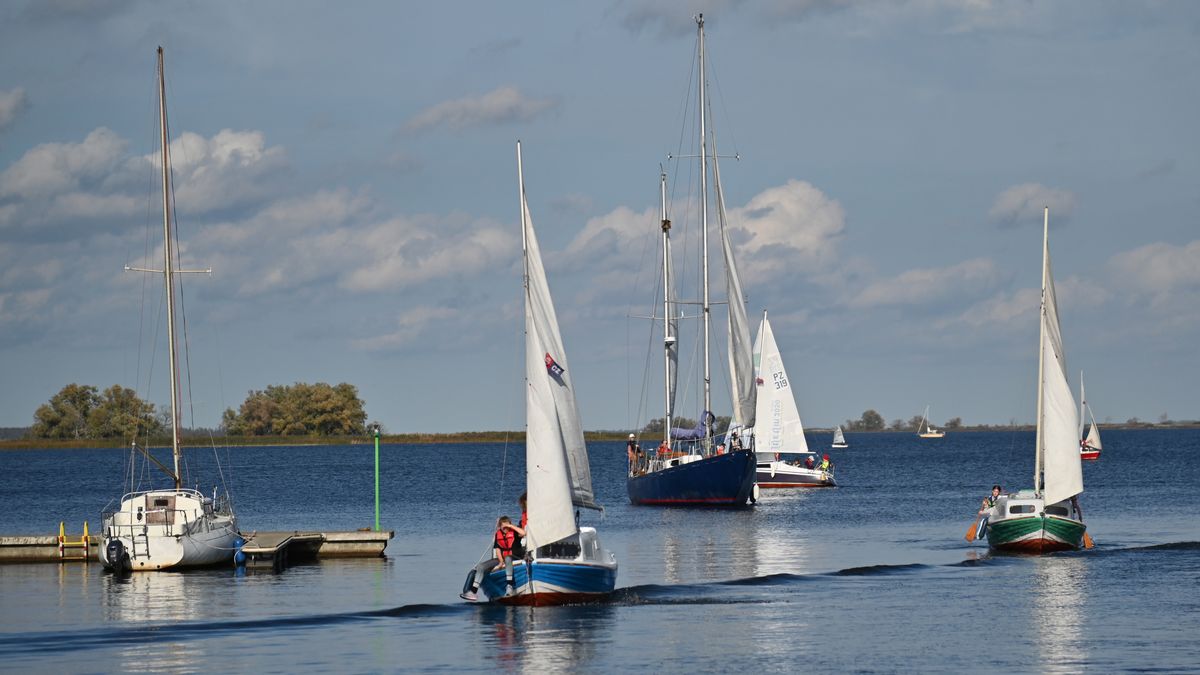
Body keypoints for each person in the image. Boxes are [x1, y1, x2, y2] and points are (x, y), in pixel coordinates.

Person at [461, 516, 521, 601]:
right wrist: (500, 561)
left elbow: (523, 533)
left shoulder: (514, 532)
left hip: (514, 557)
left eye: (507, 527)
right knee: (480, 567)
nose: (505, 529)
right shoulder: (498, 534)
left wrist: (511, 526)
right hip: (501, 558)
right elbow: (498, 550)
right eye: (503, 527)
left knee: (508, 558)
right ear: (500, 527)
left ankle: (509, 586)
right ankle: (473, 592)